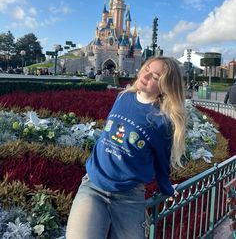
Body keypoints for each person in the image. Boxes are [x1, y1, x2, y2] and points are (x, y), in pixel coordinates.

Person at [66, 56, 186, 239]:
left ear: (165, 87)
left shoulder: (162, 121)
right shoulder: (124, 98)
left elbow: (162, 161)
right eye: (146, 69)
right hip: (94, 185)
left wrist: (167, 189)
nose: (145, 77)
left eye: (155, 76)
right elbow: (107, 135)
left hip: (129, 197)